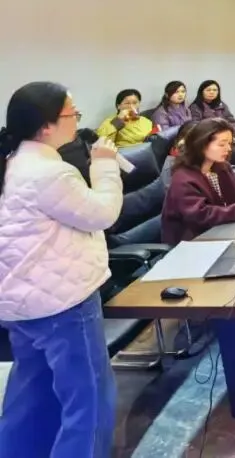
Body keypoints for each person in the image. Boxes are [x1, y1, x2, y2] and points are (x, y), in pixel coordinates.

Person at [0, 82, 122, 457]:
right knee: (89, 402)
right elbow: (103, 213)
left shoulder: (13, 163)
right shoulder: (50, 174)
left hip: (20, 303)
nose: (77, 119)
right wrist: (105, 165)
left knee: (31, 398)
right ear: (46, 125)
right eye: (72, 113)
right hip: (62, 303)